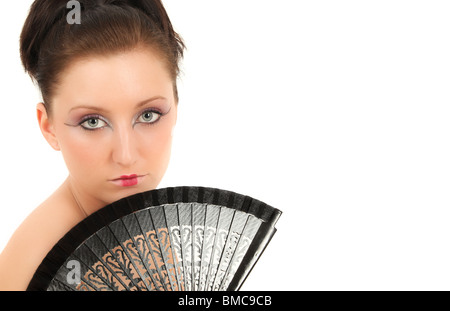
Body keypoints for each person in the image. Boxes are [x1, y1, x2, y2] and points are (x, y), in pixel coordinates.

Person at [0, 0, 185, 290]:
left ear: (176, 106)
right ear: (48, 126)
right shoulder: (35, 263)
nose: (126, 155)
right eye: (92, 122)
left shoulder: (151, 227)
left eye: (148, 115)